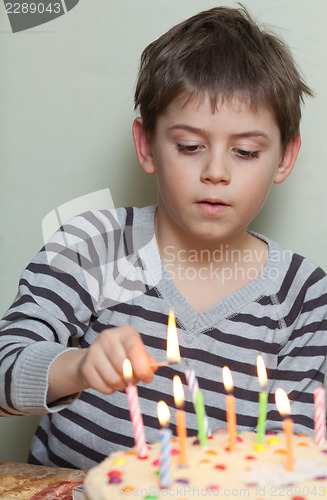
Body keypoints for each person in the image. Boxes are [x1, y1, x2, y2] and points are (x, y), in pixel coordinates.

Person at [1, 6, 326, 471]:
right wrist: (78, 367)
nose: (216, 172)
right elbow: (5, 369)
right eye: (190, 146)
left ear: (284, 157)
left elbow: (292, 456)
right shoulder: (90, 244)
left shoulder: (303, 295)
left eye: (246, 151)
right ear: (147, 145)